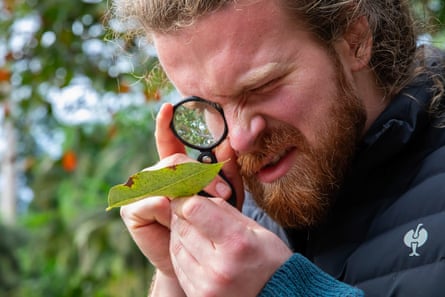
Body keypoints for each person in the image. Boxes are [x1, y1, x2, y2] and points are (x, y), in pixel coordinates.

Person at [111, 0, 445, 296]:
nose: (239, 140)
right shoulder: (241, 219)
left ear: (354, 38)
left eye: (262, 86)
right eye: (206, 107)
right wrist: (180, 274)